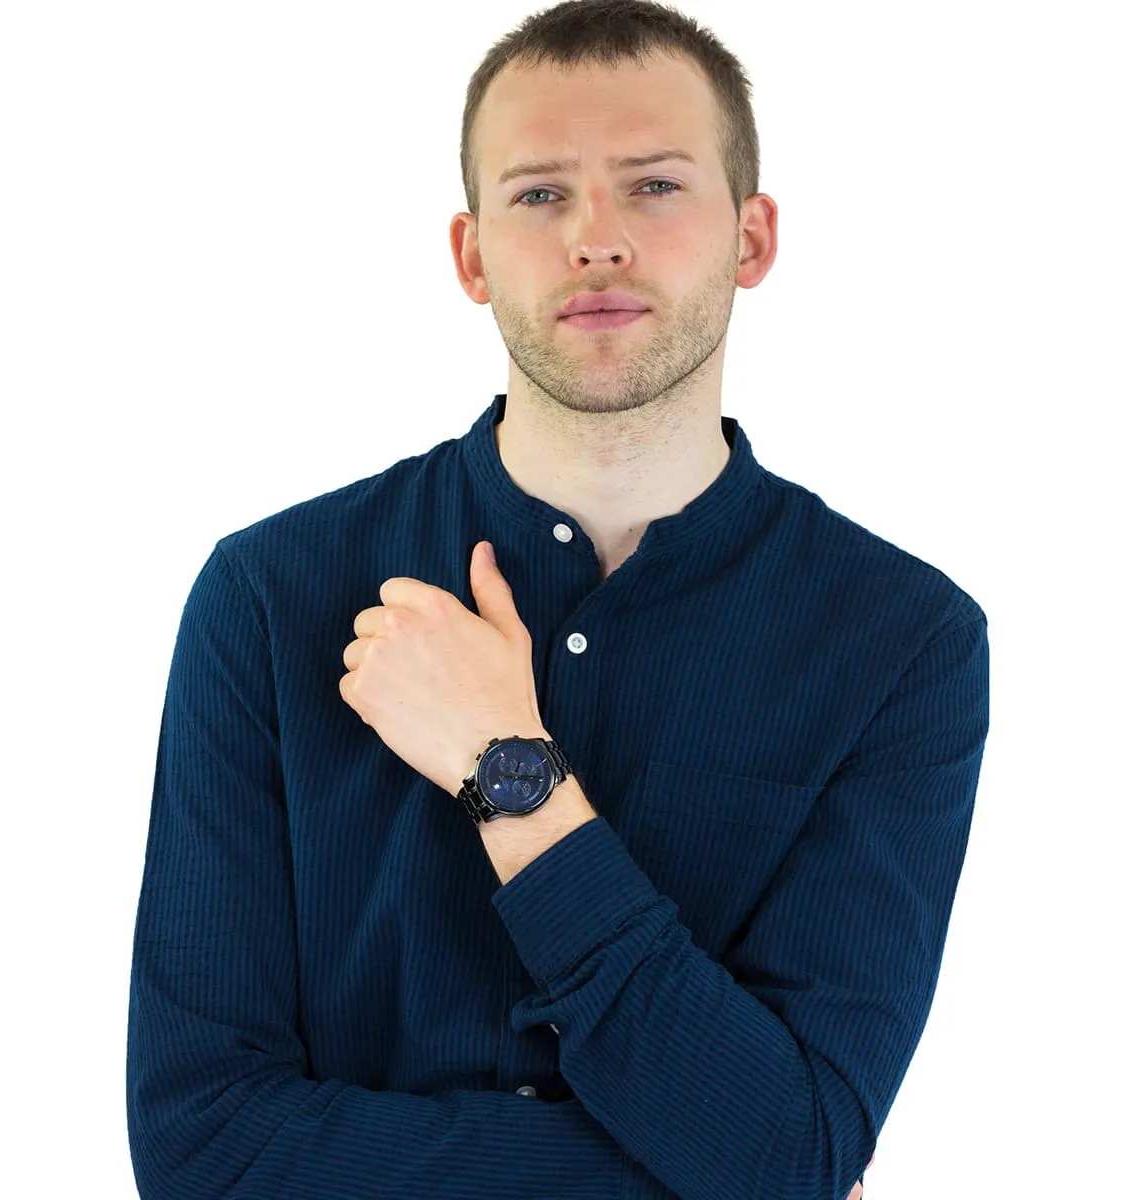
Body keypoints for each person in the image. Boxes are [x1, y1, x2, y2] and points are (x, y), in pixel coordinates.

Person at [125, 2, 987, 1198]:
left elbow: (793, 1155)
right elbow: (203, 1148)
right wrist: (724, 1166)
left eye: (654, 186)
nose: (597, 239)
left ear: (751, 238)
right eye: (539, 194)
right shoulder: (269, 598)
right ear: (472, 255)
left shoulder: (903, 642)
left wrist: (506, 772)